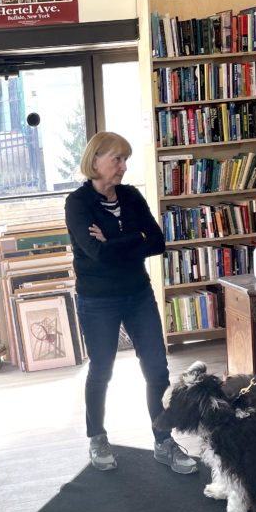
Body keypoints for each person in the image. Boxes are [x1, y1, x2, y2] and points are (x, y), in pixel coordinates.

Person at [64, 132, 196, 475]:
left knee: (157, 369)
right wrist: (131, 239)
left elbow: (157, 242)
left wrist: (115, 240)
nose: (123, 166)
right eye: (117, 159)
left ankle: (163, 440)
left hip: (138, 292)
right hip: (97, 299)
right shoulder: (77, 204)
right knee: (101, 371)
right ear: (95, 162)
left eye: (125, 159)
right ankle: (97, 436)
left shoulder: (132, 196)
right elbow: (97, 254)